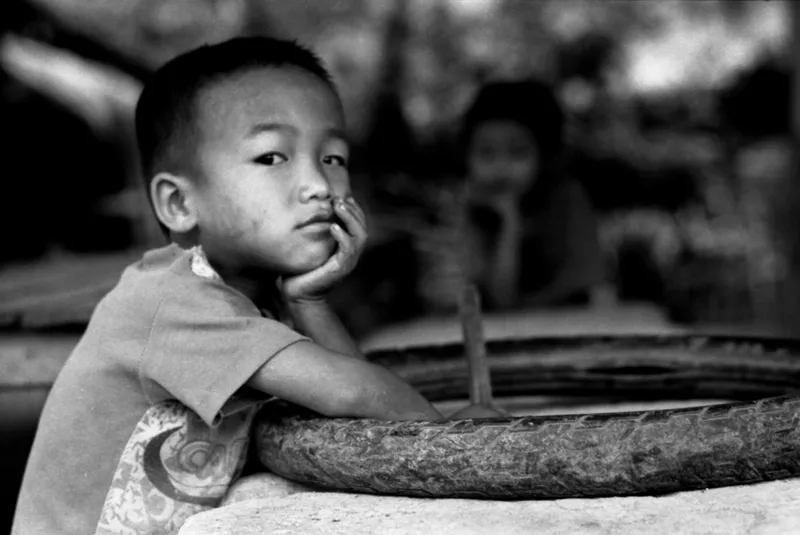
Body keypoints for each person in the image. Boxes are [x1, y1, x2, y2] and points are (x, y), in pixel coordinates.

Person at [12, 37, 500, 535]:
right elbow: (355, 393)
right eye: (271, 157)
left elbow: (359, 418)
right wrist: (464, 445)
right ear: (180, 203)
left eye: (333, 158)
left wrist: (308, 300)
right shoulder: (174, 302)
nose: (319, 185)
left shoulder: (249, 298)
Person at [419, 79, 606, 312]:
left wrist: (510, 222)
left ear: (543, 156)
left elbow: (589, 290)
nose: (501, 167)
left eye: (518, 153)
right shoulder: (462, 207)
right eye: (486, 153)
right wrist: (507, 226)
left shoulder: (567, 201)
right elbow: (489, 298)